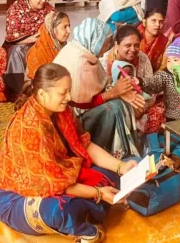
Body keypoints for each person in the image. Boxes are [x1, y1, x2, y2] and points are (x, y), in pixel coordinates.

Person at [0, 63, 138, 243]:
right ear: (42, 94)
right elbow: (51, 184)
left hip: (60, 174)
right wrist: (98, 193)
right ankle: (86, 224)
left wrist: (121, 167)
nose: (69, 98)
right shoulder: (28, 129)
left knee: (110, 177)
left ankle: (86, 215)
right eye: (63, 93)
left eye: (69, 91)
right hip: (18, 197)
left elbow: (84, 144)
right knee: (59, 210)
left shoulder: (63, 112)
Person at [54, 18, 144, 159]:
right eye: (106, 43)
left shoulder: (81, 49)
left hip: (76, 107)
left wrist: (119, 92)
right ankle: (110, 153)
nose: (107, 47)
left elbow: (100, 86)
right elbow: (81, 103)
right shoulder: (80, 62)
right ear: (95, 42)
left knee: (121, 103)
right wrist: (115, 93)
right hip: (71, 115)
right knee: (114, 109)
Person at [3, 0, 56, 96]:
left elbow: (56, 28)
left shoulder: (48, 9)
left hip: (43, 43)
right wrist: (35, 39)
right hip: (18, 45)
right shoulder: (16, 9)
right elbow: (12, 36)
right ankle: (21, 91)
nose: (43, 0)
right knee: (18, 52)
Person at [26, 11, 71, 79]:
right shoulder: (37, 53)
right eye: (64, 27)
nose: (69, 31)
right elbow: (38, 82)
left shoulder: (66, 48)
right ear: (52, 29)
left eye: (69, 26)